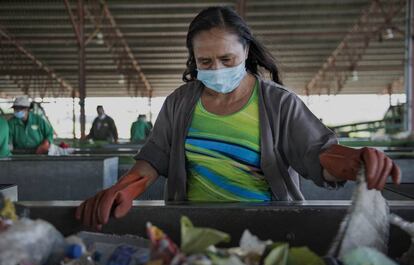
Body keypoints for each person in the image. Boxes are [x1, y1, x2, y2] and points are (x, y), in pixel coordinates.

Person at [76, 6, 401, 229]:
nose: (216, 69)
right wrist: (123, 188)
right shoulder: (180, 103)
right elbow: (153, 159)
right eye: (205, 61)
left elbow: (317, 152)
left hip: (267, 229)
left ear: (246, 51)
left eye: (226, 58)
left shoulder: (278, 103)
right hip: (192, 229)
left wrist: (353, 160)